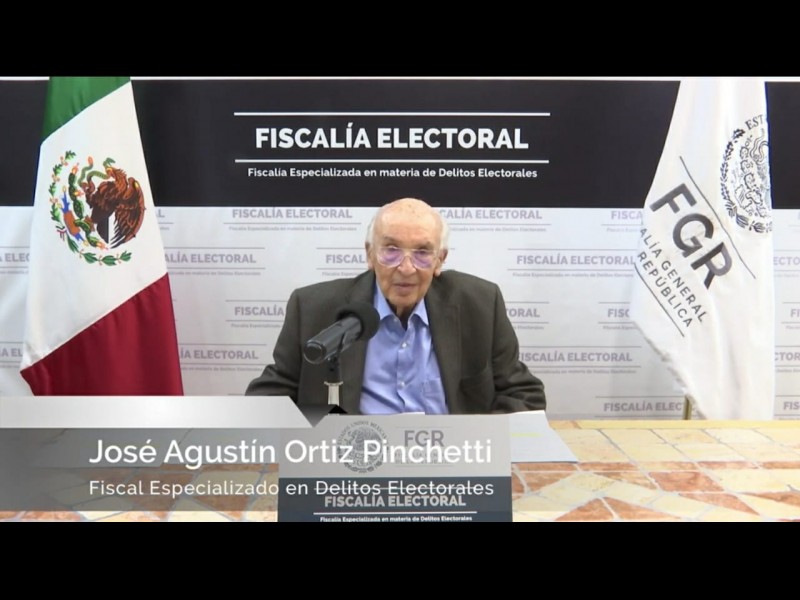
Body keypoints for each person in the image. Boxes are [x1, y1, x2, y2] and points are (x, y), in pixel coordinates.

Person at [245, 197, 546, 414]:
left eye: (422, 253)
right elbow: (268, 396)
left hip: (451, 459)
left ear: (440, 260)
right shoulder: (314, 308)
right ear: (369, 254)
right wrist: (310, 446)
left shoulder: (480, 304)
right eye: (391, 250)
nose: (406, 268)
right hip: (355, 461)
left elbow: (523, 394)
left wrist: (480, 447)